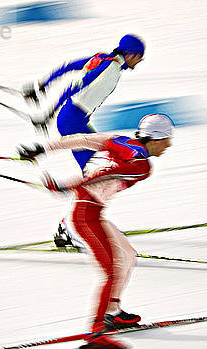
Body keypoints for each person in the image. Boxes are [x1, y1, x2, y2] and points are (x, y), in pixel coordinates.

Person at [18, 114, 174, 349]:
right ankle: (97, 334)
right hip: (86, 216)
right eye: (167, 139)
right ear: (155, 138)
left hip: (93, 212)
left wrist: (41, 148)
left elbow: (80, 140)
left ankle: (113, 313)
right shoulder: (142, 167)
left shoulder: (118, 140)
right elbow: (105, 173)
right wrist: (66, 184)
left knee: (128, 256)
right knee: (110, 272)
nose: (169, 145)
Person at [22, 34, 145, 248]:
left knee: (96, 175)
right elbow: (75, 87)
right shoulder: (110, 70)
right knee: (97, 177)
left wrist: (44, 85)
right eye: (140, 57)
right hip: (73, 121)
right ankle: (70, 228)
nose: (140, 61)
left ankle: (70, 225)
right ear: (131, 54)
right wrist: (49, 113)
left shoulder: (103, 58)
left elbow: (69, 67)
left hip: (74, 119)